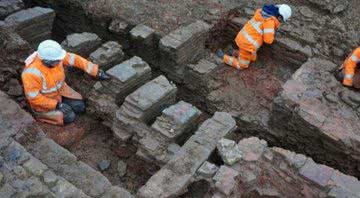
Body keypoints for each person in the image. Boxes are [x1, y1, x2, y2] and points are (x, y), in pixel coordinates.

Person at [22, 40, 111, 125]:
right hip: (45, 102)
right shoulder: (31, 74)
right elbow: (34, 98)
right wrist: (57, 105)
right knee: (69, 117)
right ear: (46, 61)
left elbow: (75, 59)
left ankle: (63, 104)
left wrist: (96, 71)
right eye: (58, 61)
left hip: (61, 91)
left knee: (80, 107)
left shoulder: (55, 58)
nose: (61, 61)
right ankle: (40, 115)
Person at [216, 4, 292, 70]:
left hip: (243, 38)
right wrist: (273, 33)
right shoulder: (269, 22)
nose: (280, 21)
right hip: (247, 45)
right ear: (280, 15)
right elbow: (268, 40)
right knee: (242, 66)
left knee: (253, 58)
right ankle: (223, 57)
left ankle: (234, 52)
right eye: (281, 19)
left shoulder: (261, 12)